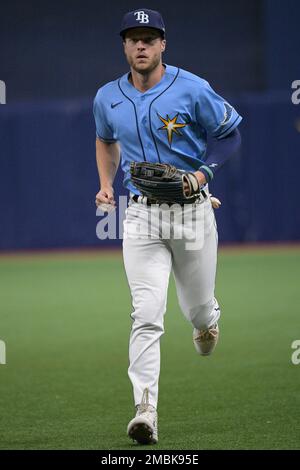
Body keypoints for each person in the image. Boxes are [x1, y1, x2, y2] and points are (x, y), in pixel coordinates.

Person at [93, 8, 242, 445]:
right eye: (133, 38)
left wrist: (202, 174)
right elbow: (105, 139)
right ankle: (145, 410)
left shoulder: (192, 88)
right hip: (140, 213)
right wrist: (105, 184)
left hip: (192, 210)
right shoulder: (107, 97)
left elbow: (232, 134)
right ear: (124, 45)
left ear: (163, 45)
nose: (141, 45)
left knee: (195, 309)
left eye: (149, 38)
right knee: (146, 312)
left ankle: (207, 319)